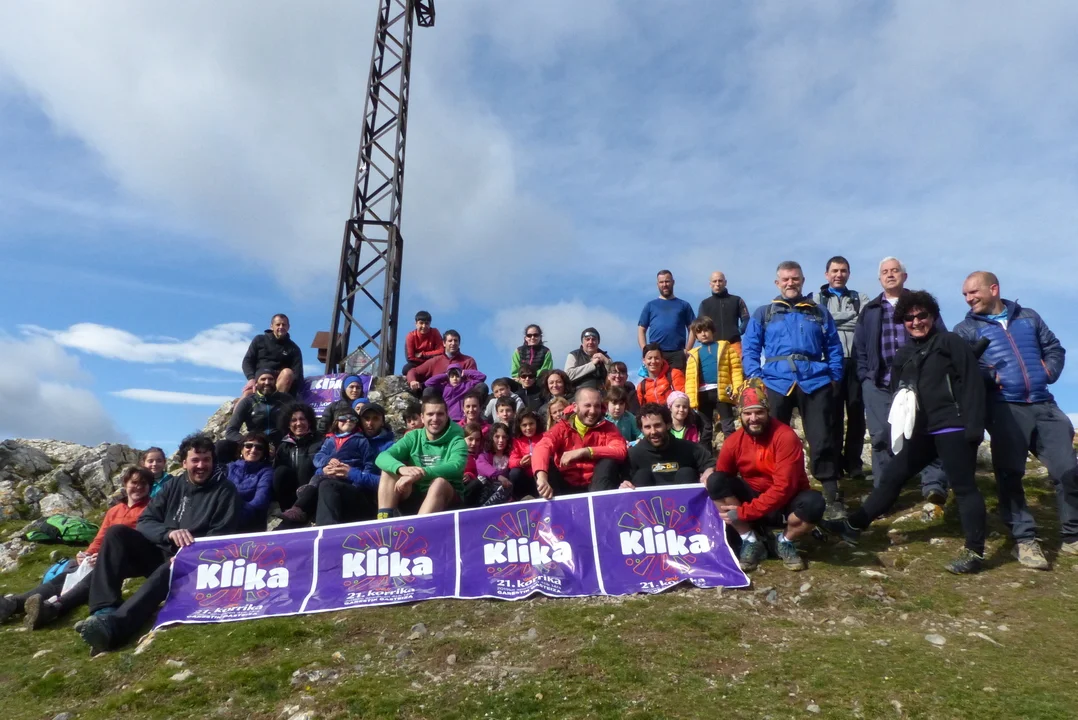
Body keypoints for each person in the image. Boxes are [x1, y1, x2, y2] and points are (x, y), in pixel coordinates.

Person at [824, 291, 989, 575]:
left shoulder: (950, 342)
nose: (916, 322)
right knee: (893, 475)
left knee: (963, 487)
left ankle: (974, 551)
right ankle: (854, 525)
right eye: (909, 318)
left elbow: (972, 382)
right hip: (922, 431)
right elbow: (898, 392)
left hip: (953, 425)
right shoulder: (904, 354)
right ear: (902, 321)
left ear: (932, 316)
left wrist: (974, 428)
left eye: (922, 315)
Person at [955, 271, 1078, 568]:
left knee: (1069, 471)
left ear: (993, 289)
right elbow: (962, 371)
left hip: (1044, 404)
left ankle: (1073, 536)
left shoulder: (1029, 317)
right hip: (1004, 407)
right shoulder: (965, 329)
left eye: (973, 292)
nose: (969, 299)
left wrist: (1047, 372)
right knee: (1010, 475)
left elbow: (1054, 348)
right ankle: (1024, 539)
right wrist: (992, 377)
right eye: (965, 295)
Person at [78, 434, 239, 655]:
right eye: (195, 460)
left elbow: (221, 536)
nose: (201, 466)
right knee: (116, 533)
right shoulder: (173, 486)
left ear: (213, 461)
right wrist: (168, 533)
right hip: (161, 550)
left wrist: (187, 554)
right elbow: (146, 521)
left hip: (196, 562)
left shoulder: (225, 491)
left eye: (206, 460)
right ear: (184, 463)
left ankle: (117, 627)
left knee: (170, 569)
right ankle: (103, 611)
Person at [741, 261, 845, 518]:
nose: (790, 283)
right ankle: (772, 494)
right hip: (775, 381)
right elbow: (750, 347)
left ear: (802, 281)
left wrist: (834, 376)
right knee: (772, 440)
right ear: (777, 283)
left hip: (815, 379)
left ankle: (832, 496)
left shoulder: (818, 312)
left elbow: (833, 346)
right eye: (786, 279)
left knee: (822, 437)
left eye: (795, 279)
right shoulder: (764, 313)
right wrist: (755, 377)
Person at [0, 467, 153, 630]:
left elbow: (144, 537)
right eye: (134, 482)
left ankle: (53, 608)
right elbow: (100, 538)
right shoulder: (114, 511)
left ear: (150, 487)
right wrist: (87, 554)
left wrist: (103, 556)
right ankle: (13, 604)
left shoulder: (151, 507)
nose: (138, 487)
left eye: (143, 483)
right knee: (68, 573)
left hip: (132, 559)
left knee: (96, 573)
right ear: (125, 484)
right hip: (105, 556)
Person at [852, 257, 949, 506]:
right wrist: (865, 377)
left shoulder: (921, 304)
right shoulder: (870, 309)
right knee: (880, 437)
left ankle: (933, 485)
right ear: (879, 278)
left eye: (895, 270)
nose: (890, 275)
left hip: (919, 379)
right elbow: (859, 347)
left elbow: (942, 337)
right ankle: (883, 493)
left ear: (904, 276)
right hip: (879, 382)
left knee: (926, 430)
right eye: (885, 271)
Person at [705, 382, 826, 572]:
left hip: (786, 501)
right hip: (754, 499)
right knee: (715, 480)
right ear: (740, 415)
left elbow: (783, 488)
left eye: (759, 412)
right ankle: (750, 539)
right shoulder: (733, 442)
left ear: (768, 412)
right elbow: (722, 480)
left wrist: (743, 513)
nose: (753, 418)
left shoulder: (785, 436)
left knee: (815, 503)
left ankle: (784, 541)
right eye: (748, 413)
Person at [808, 256, 871, 479]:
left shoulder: (860, 298)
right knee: (831, 414)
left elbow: (863, 324)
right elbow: (817, 324)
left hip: (855, 360)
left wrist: (831, 320)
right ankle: (833, 463)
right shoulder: (816, 298)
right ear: (826, 274)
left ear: (848, 274)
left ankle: (853, 463)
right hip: (828, 361)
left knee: (856, 412)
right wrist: (849, 318)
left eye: (843, 271)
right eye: (834, 271)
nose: (839, 275)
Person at [375, 395, 468, 516]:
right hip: (415, 495)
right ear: (422, 418)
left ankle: (419, 527)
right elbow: (382, 457)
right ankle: (384, 521)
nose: (435, 418)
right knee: (389, 470)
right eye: (430, 414)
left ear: (446, 417)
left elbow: (456, 466)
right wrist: (401, 469)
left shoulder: (457, 440)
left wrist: (419, 474)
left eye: (440, 414)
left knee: (439, 483)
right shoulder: (413, 436)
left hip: (447, 499)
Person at [531, 387, 628, 497]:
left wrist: (585, 451)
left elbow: (620, 450)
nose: (592, 411)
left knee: (608, 461)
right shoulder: (562, 427)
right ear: (575, 407)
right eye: (587, 405)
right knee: (545, 463)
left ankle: (600, 504)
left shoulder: (609, 428)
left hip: (596, 486)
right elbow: (542, 446)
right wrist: (542, 478)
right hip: (565, 485)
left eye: (597, 406)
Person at [312, 409, 381, 526]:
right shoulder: (330, 440)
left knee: (327, 485)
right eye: (343, 418)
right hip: (332, 481)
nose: (348, 421)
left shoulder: (361, 440)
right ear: (336, 422)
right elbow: (318, 457)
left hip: (356, 490)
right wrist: (323, 469)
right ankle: (298, 511)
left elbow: (369, 466)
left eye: (352, 419)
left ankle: (326, 527)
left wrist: (354, 479)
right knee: (313, 487)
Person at [624, 403, 714, 489]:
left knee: (686, 473)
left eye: (657, 425)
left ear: (668, 425)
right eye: (647, 427)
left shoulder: (689, 448)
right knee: (642, 475)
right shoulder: (634, 454)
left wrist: (709, 472)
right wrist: (625, 485)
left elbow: (711, 463)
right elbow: (623, 479)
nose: (653, 431)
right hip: (647, 499)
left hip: (685, 499)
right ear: (641, 430)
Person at [685, 316, 743, 440]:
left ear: (712, 331)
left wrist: (737, 389)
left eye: (706, 330)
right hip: (702, 394)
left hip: (722, 391)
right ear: (695, 336)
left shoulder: (726, 348)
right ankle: (705, 453)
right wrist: (690, 399)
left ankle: (733, 451)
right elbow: (690, 379)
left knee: (728, 427)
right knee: (705, 429)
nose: (703, 334)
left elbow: (736, 370)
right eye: (699, 332)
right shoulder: (693, 354)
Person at [220, 368, 292, 461]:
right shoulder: (248, 402)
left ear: (275, 381)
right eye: (263, 379)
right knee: (222, 446)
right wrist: (249, 442)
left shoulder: (287, 400)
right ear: (256, 383)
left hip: (280, 445)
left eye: (270, 379)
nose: (267, 382)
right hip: (256, 446)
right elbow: (230, 431)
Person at [638, 269, 695, 371]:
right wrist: (645, 351)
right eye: (661, 282)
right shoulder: (650, 305)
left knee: (677, 380)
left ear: (673, 282)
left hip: (678, 353)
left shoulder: (684, 305)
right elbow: (641, 329)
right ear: (657, 284)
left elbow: (693, 328)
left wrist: (688, 350)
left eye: (667, 281)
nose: (664, 284)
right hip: (656, 354)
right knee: (658, 381)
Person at [272, 403, 320, 514]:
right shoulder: (283, 446)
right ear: (288, 424)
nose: (298, 423)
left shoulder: (320, 441)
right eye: (293, 420)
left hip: (313, 493)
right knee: (280, 471)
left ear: (309, 422)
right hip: (291, 495)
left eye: (302, 419)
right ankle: (288, 511)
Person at [241, 313, 303, 395]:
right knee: (246, 394)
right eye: (278, 324)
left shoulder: (294, 349)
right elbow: (247, 361)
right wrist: (251, 378)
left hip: (279, 385)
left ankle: (275, 401)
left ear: (288, 327)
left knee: (287, 372)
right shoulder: (259, 340)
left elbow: (298, 375)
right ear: (271, 326)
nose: (281, 327)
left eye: (284, 325)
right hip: (259, 381)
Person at [226, 432, 274, 532]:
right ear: (241, 449)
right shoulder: (228, 468)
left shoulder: (266, 472)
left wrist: (234, 517)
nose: (253, 450)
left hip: (250, 525)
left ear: (264, 452)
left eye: (259, 447)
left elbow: (260, 500)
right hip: (223, 522)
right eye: (248, 446)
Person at [406, 330, 478, 391]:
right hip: (438, 397)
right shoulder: (435, 361)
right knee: (429, 390)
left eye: (456, 341)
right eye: (450, 341)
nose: (453, 343)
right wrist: (412, 381)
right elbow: (414, 371)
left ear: (459, 343)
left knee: (481, 387)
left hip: (460, 395)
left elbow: (474, 380)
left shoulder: (468, 361)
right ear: (444, 343)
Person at [695, 271, 750, 350]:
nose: (717, 284)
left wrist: (737, 332)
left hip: (734, 344)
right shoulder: (705, 304)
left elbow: (746, 320)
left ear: (725, 282)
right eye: (714, 281)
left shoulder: (737, 300)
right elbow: (700, 325)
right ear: (710, 284)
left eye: (720, 281)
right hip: (713, 346)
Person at [473, 423, 514, 506]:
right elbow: (481, 465)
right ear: (491, 438)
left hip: (503, 491)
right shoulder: (485, 455)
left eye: (504, 437)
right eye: (497, 437)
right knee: (482, 479)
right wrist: (498, 476)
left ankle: (486, 508)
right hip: (487, 489)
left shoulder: (510, 455)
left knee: (508, 486)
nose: (501, 440)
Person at [508, 410, 545, 498]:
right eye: (524, 425)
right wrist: (520, 462)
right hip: (526, 478)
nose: (528, 428)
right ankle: (520, 499)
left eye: (531, 424)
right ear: (519, 427)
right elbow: (511, 461)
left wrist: (536, 459)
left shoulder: (544, 437)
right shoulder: (517, 441)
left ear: (536, 423)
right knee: (514, 473)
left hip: (542, 476)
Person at [402, 310, 444, 375]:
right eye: (421, 323)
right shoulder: (411, 336)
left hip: (432, 363)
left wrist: (423, 354)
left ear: (430, 324)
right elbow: (410, 358)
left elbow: (441, 351)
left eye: (427, 323)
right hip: (417, 364)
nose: (424, 326)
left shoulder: (434, 332)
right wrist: (425, 363)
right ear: (416, 324)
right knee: (406, 369)